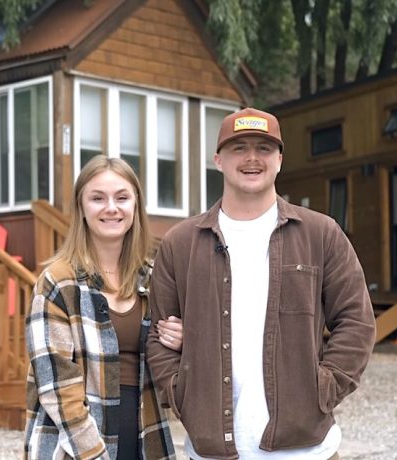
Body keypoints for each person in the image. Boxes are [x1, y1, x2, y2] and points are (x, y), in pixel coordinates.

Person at [146, 107, 376, 459]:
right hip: (212, 450)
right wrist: (180, 394)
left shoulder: (321, 233)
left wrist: (323, 388)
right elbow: (158, 334)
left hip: (308, 450)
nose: (252, 158)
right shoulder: (180, 243)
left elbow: (356, 321)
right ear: (218, 160)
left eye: (264, 148)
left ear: (280, 160)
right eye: (239, 148)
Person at [24, 156, 180, 459]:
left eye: (122, 197)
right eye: (98, 198)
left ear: (136, 205)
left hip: (146, 435)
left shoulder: (152, 279)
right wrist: (94, 452)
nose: (112, 207)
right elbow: (56, 384)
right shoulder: (57, 283)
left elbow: (173, 363)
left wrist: (182, 340)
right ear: (81, 208)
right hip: (73, 443)